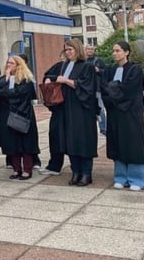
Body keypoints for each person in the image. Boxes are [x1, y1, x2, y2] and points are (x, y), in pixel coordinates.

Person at [46, 39, 98, 186]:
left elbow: (88, 88)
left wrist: (66, 81)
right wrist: (49, 79)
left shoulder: (87, 67)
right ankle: (75, 172)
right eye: (66, 50)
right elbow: (51, 75)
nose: (68, 52)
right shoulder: (63, 66)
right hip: (65, 109)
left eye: (70, 49)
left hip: (81, 110)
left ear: (77, 49)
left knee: (83, 141)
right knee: (69, 141)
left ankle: (86, 173)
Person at [100, 41, 144, 191]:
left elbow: (129, 89)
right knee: (117, 143)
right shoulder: (110, 69)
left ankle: (137, 179)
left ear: (127, 52)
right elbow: (104, 87)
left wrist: (113, 90)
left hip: (131, 113)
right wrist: (113, 94)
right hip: (114, 113)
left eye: (118, 50)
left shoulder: (135, 69)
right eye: (113, 51)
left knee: (133, 144)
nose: (115, 53)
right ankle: (120, 177)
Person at [0, 55, 39, 180]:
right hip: (7, 114)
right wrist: (6, 79)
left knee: (25, 143)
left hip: (22, 114)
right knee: (11, 142)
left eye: (12, 63)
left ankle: (27, 169)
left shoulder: (26, 79)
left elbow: (16, 94)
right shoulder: (4, 79)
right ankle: (16, 169)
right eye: (8, 63)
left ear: (18, 65)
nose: (8, 65)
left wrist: (6, 92)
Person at [39, 50, 67, 176]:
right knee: (55, 136)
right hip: (58, 108)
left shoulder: (81, 67)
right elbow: (48, 75)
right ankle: (54, 165)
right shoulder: (59, 66)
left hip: (73, 109)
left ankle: (78, 168)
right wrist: (49, 79)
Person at [85, 44, 108, 136]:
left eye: (91, 49)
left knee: (100, 109)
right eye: (88, 49)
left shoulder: (99, 61)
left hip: (97, 88)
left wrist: (99, 71)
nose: (90, 50)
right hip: (87, 89)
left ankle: (103, 128)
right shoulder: (83, 61)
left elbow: (106, 72)